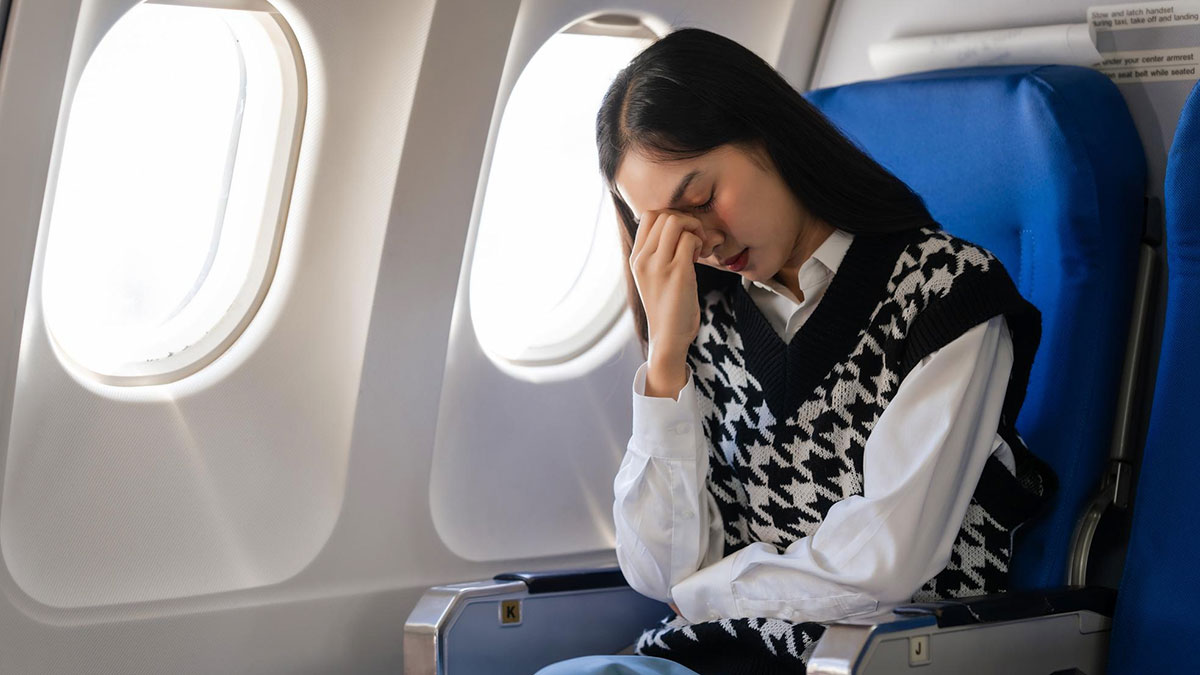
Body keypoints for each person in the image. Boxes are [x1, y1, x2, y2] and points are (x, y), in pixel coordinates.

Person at [537, 27, 1051, 675]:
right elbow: (657, 569)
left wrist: (705, 593)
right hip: (722, 656)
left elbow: (881, 563)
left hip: (885, 659)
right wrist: (666, 356)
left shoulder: (946, 294)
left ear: (767, 137)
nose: (703, 241)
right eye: (666, 229)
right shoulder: (706, 318)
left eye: (699, 199)